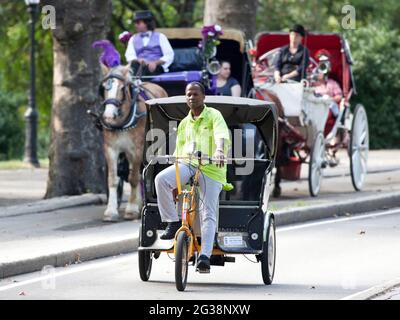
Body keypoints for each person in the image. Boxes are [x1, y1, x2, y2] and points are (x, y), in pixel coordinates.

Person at [154, 82, 231, 273]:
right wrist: (175, 182)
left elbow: (222, 134)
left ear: (203, 97)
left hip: (211, 168)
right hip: (188, 164)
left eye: (195, 94)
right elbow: (179, 152)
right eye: (188, 94)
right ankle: (172, 222)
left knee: (208, 212)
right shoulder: (184, 123)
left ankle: (204, 256)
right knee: (161, 180)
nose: (191, 97)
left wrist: (220, 150)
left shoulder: (214, 115)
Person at [125, 10, 174, 76]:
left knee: (146, 69)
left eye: (138, 23)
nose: (135, 25)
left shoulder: (160, 37)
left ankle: (138, 83)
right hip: (138, 68)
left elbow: (169, 55)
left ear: (146, 23)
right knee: (133, 66)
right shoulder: (133, 38)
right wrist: (139, 60)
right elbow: (129, 56)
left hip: (155, 68)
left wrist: (155, 63)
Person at [313, 49, 343, 120]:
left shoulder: (332, 83)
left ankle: (337, 119)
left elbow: (339, 96)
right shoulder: (312, 84)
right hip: (315, 104)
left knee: (330, 103)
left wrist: (330, 99)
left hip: (327, 105)